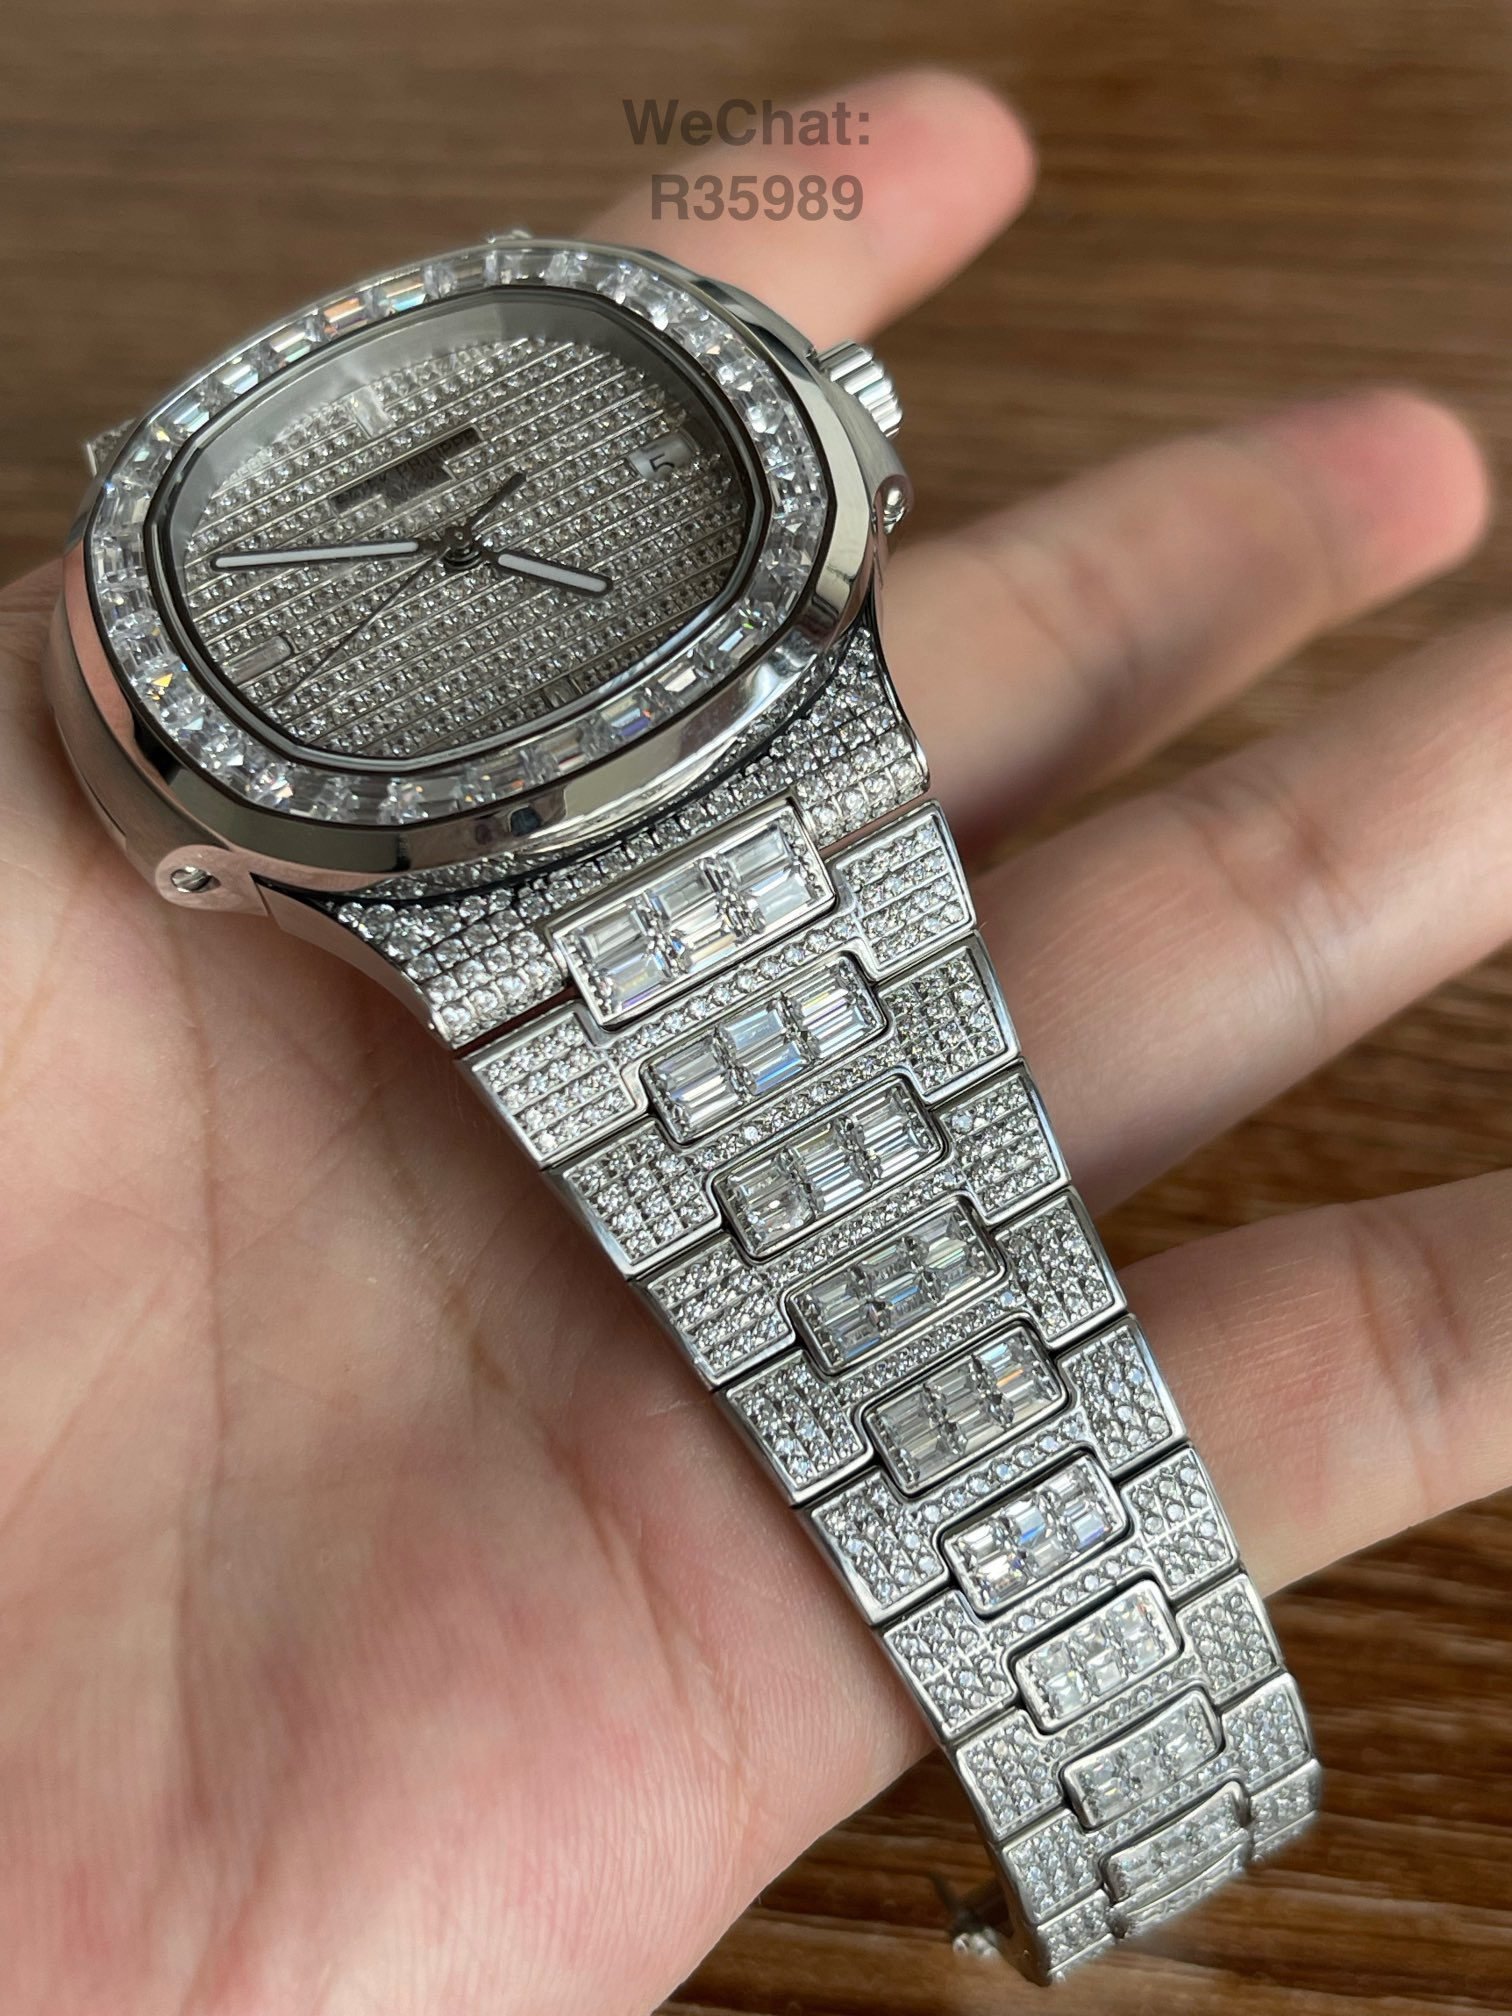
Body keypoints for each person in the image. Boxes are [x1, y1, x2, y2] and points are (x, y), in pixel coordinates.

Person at [0, 67, 1506, 2016]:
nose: (449, 551)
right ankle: (1148, 1815)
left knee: (957, 1209)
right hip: (501, 903)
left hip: (780, 751)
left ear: (837, 429)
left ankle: (1159, 1804)